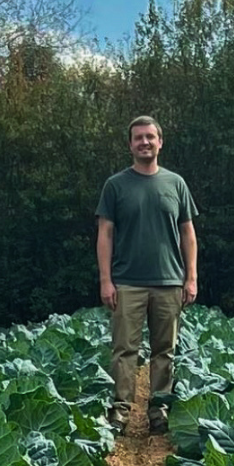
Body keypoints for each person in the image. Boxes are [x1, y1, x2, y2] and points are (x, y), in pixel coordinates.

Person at [95, 115, 198, 436]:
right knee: (124, 350)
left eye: (150, 137)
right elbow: (105, 235)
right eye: (138, 138)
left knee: (164, 351)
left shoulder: (176, 184)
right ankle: (121, 411)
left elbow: (188, 234)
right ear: (130, 145)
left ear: (160, 142)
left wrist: (191, 276)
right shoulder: (116, 186)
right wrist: (105, 280)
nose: (144, 143)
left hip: (169, 282)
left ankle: (160, 409)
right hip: (127, 283)